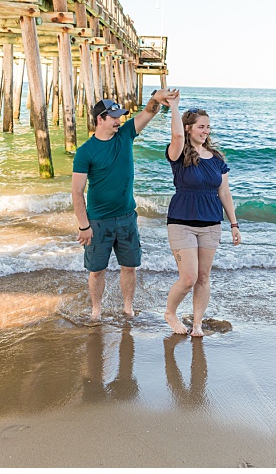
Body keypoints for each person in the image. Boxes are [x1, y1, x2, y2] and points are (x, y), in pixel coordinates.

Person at [72, 90, 177, 321]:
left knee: (129, 266)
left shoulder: (126, 134)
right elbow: (77, 191)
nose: (119, 120)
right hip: (98, 221)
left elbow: (149, 112)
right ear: (100, 119)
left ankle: (128, 309)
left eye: (120, 116)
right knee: (97, 271)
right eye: (114, 117)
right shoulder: (85, 152)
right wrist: (83, 225)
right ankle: (96, 311)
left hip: (127, 217)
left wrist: (156, 98)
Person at [162, 94, 241, 336]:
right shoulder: (178, 153)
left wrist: (234, 224)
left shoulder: (217, 159)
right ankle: (170, 313)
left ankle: (197, 324)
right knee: (188, 277)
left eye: (207, 127)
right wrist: (174, 107)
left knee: (203, 277)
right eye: (200, 126)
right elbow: (176, 136)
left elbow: (224, 192)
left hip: (211, 224)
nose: (205, 131)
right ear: (188, 129)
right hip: (181, 223)